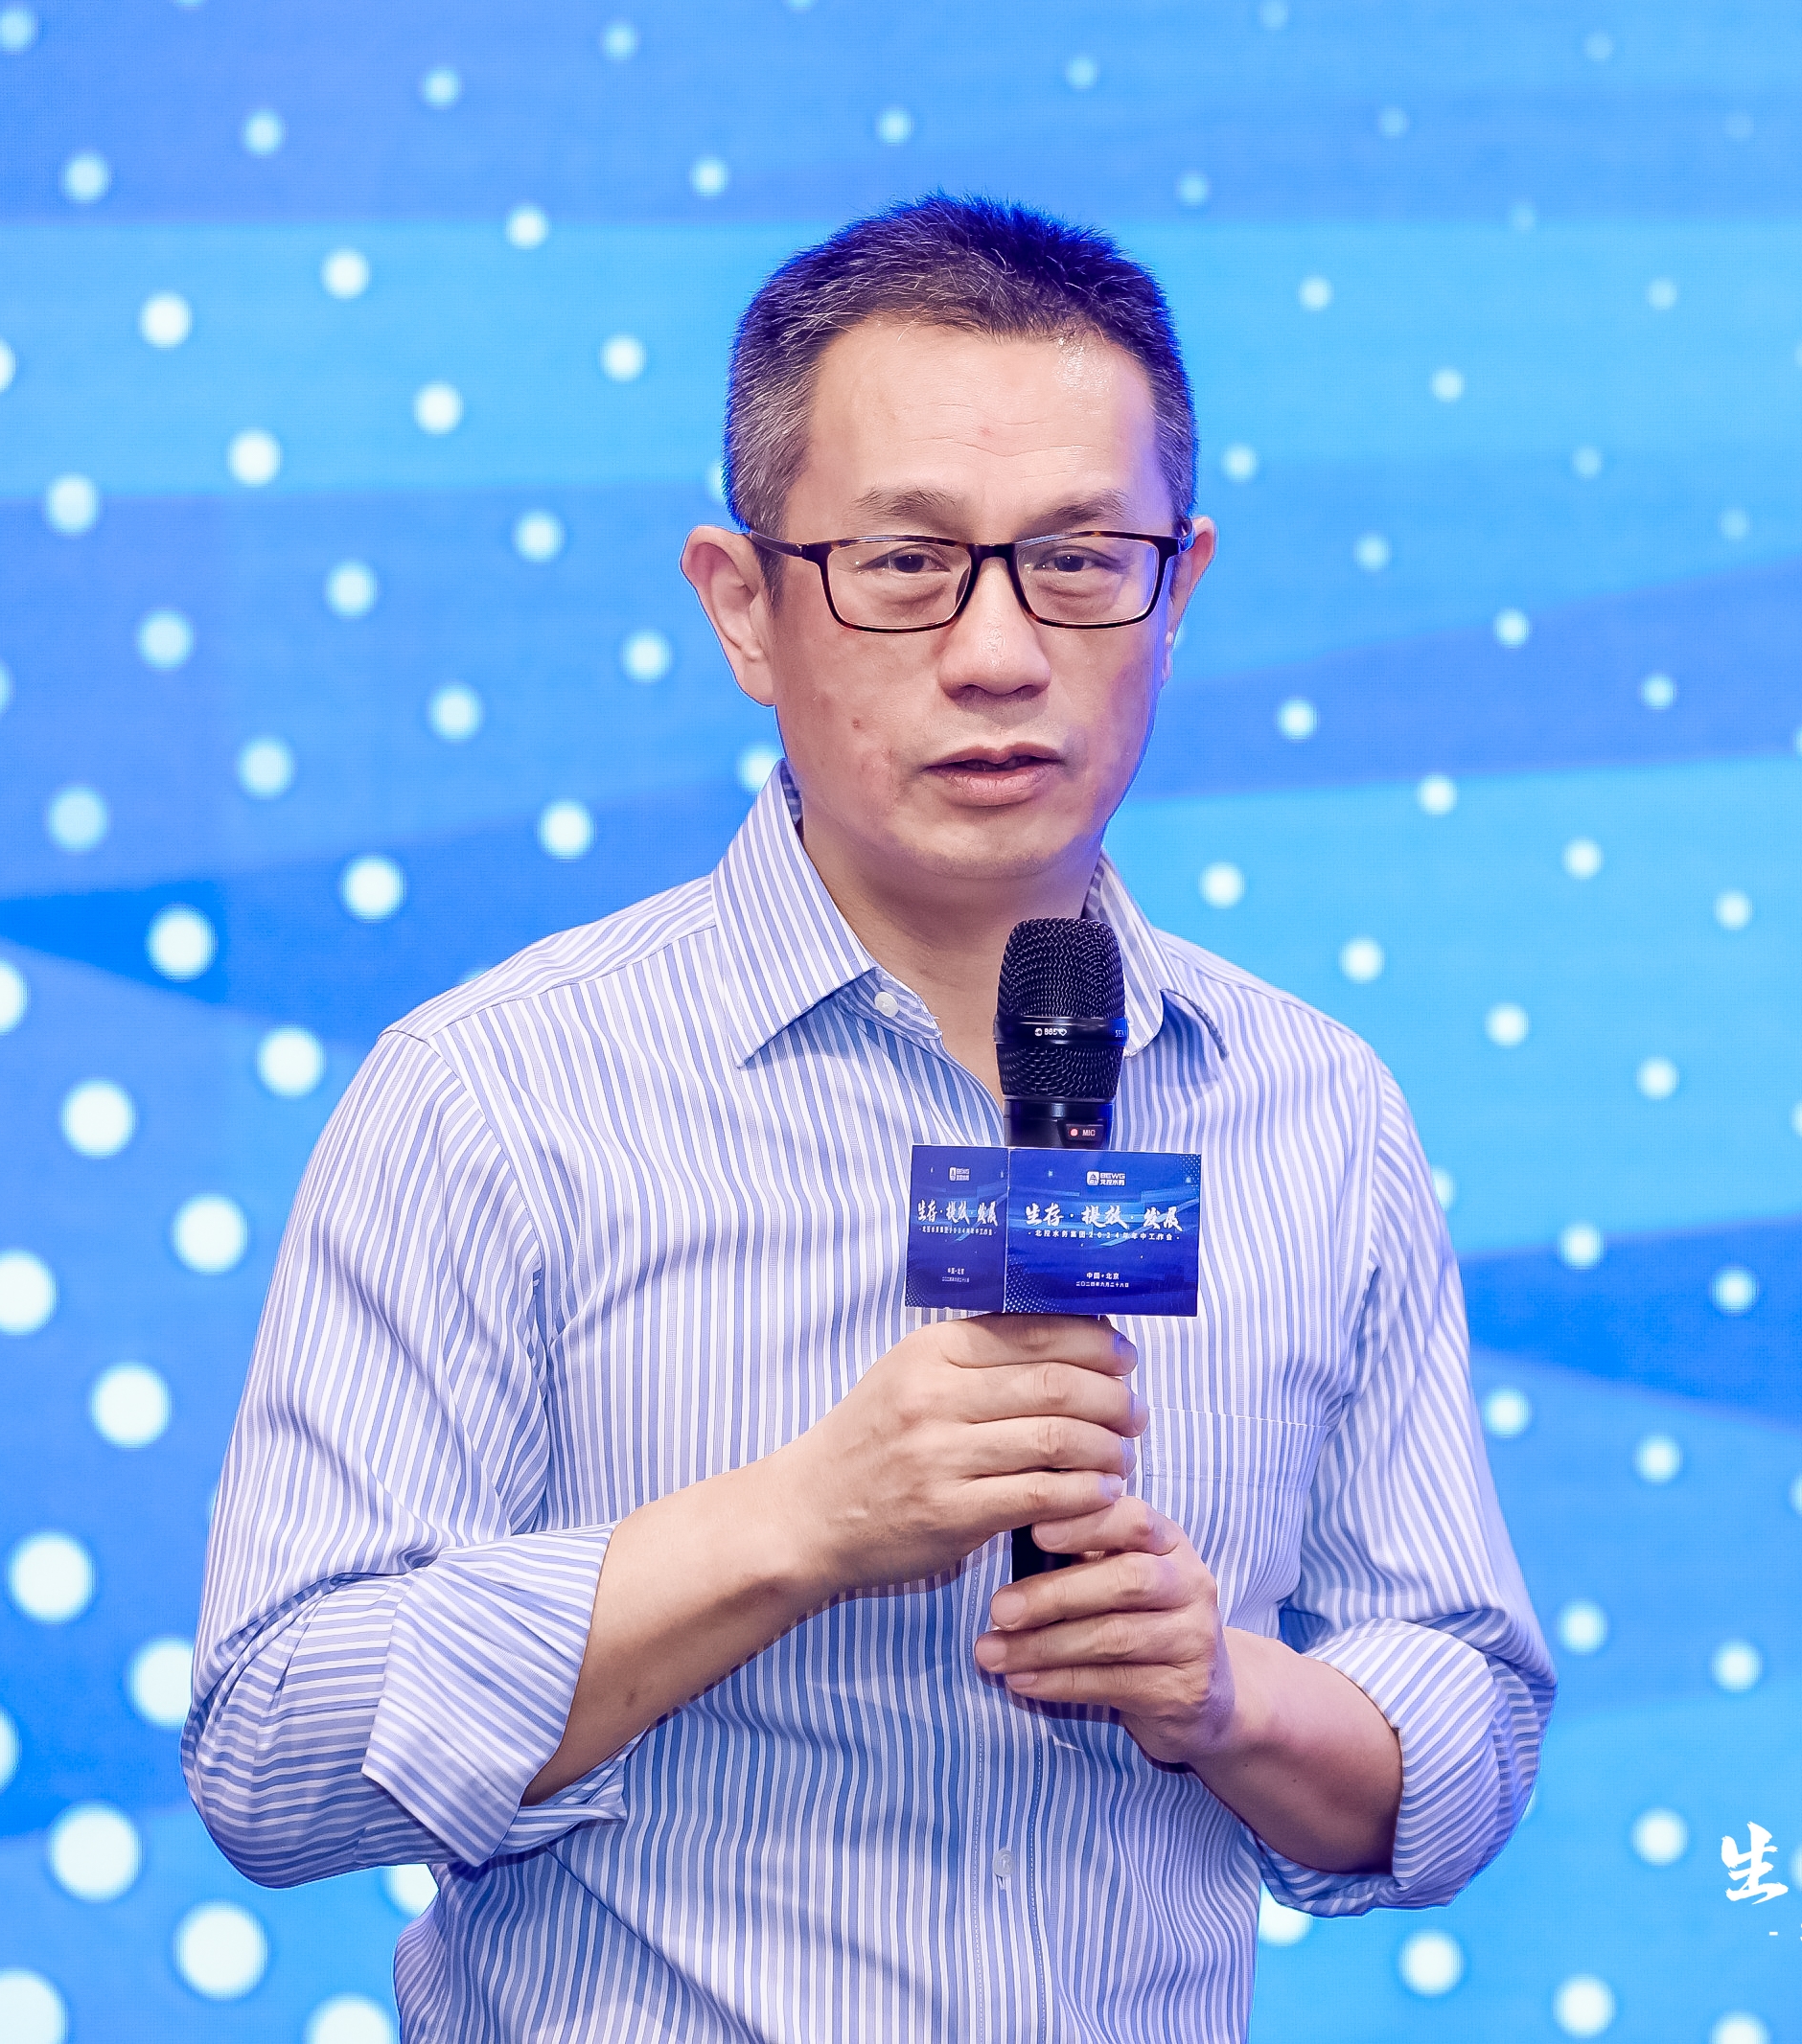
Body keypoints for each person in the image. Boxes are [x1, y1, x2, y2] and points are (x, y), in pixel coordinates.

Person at [187, 195, 1552, 2041]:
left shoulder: (1313, 1108)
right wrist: (794, 1524)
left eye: (1079, 560)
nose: (999, 653)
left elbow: (1469, 1725)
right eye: (905, 564)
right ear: (743, 606)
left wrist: (1227, 1699)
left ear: (1180, 587)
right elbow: (272, 1749)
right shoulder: (497, 1094)